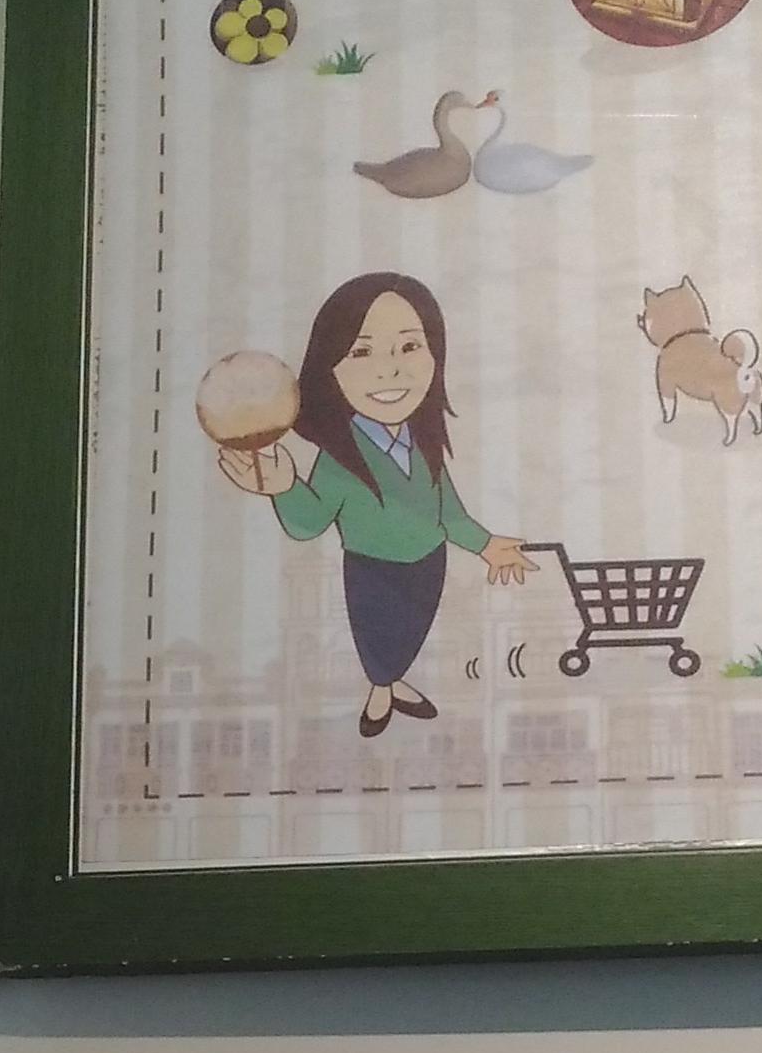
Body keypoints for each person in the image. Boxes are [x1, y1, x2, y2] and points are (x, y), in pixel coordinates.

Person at [216, 272, 536, 738]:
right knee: (378, 641)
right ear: (328, 367)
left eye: (409, 347)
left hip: (430, 562)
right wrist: (283, 488)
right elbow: (309, 524)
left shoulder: (423, 443)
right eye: (362, 353)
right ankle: (381, 692)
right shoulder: (339, 459)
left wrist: (486, 545)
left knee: (411, 634)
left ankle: (394, 681)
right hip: (372, 568)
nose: (390, 371)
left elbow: (448, 511)